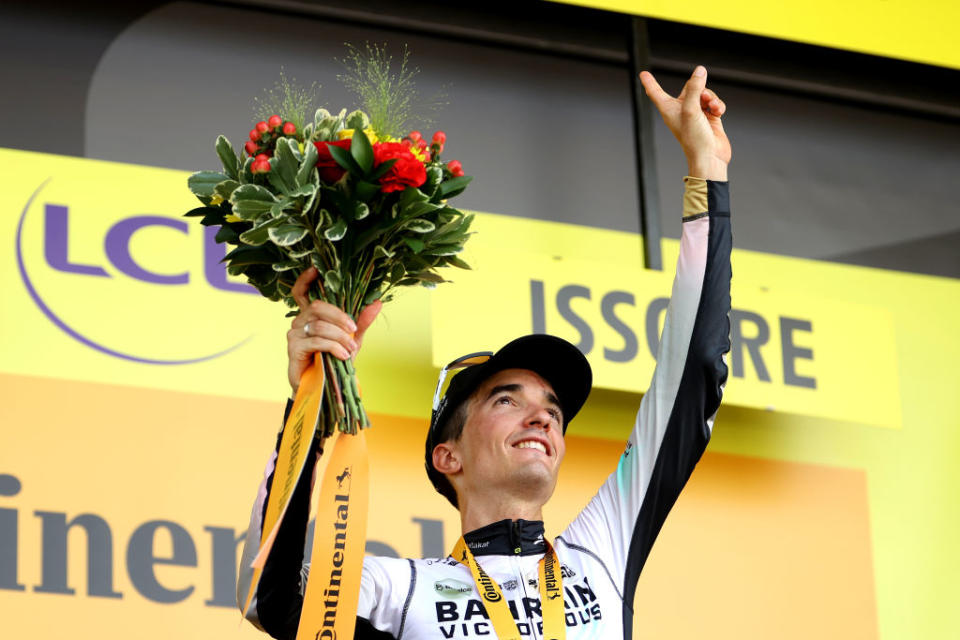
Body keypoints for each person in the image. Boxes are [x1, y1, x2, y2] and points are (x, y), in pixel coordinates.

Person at [238, 65, 732, 640]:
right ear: (448, 456)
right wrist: (312, 401)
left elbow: (693, 374)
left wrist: (708, 172)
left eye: (551, 406)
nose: (543, 415)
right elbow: (272, 598)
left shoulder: (603, 552)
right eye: (506, 399)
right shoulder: (398, 591)